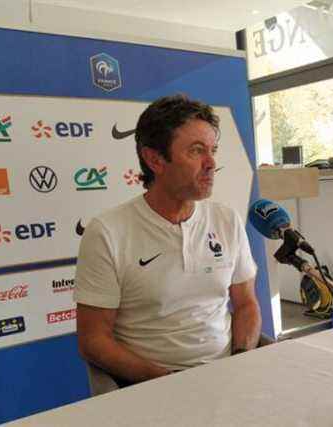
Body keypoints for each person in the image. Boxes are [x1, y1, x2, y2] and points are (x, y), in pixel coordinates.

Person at [74, 94, 261, 388]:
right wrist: (165, 381)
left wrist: (240, 357)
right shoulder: (107, 232)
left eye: (213, 150)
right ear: (155, 159)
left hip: (229, 374)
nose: (211, 163)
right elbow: (93, 340)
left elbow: (247, 304)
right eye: (197, 151)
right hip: (151, 384)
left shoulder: (227, 220)